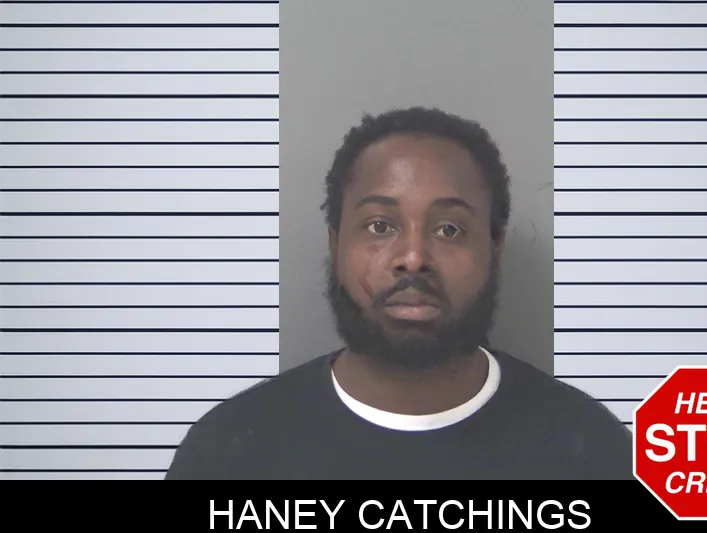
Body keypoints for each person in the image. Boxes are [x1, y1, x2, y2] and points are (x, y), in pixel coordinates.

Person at [165, 107, 632, 480]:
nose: (412, 257)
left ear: (494, 249)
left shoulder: (591, 451)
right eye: (379, 226)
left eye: (449, 229)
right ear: (336, 244)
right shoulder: (228, 454)